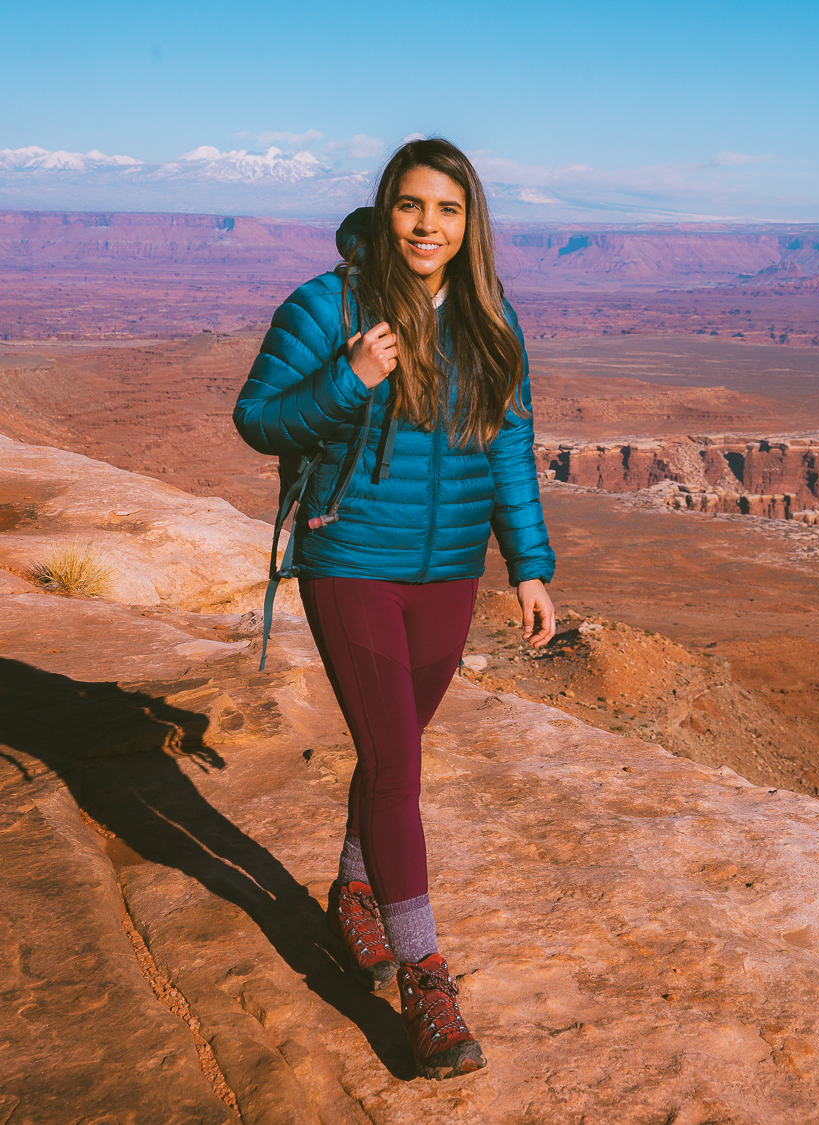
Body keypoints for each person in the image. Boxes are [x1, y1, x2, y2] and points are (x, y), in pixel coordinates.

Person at [233, 137, 556, 1080]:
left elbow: (508, 452)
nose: (427, 226)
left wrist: (527, 566)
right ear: (387, 210)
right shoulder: (329, 306)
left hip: (448, 571)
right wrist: (350, 377)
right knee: (398, 765)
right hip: (352, 558)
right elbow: (258, 418)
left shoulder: (492, 324)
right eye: (412, 206)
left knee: (392, 751)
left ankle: (352, 892)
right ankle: (426, 979)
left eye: (447, 211)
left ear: (470, 224)